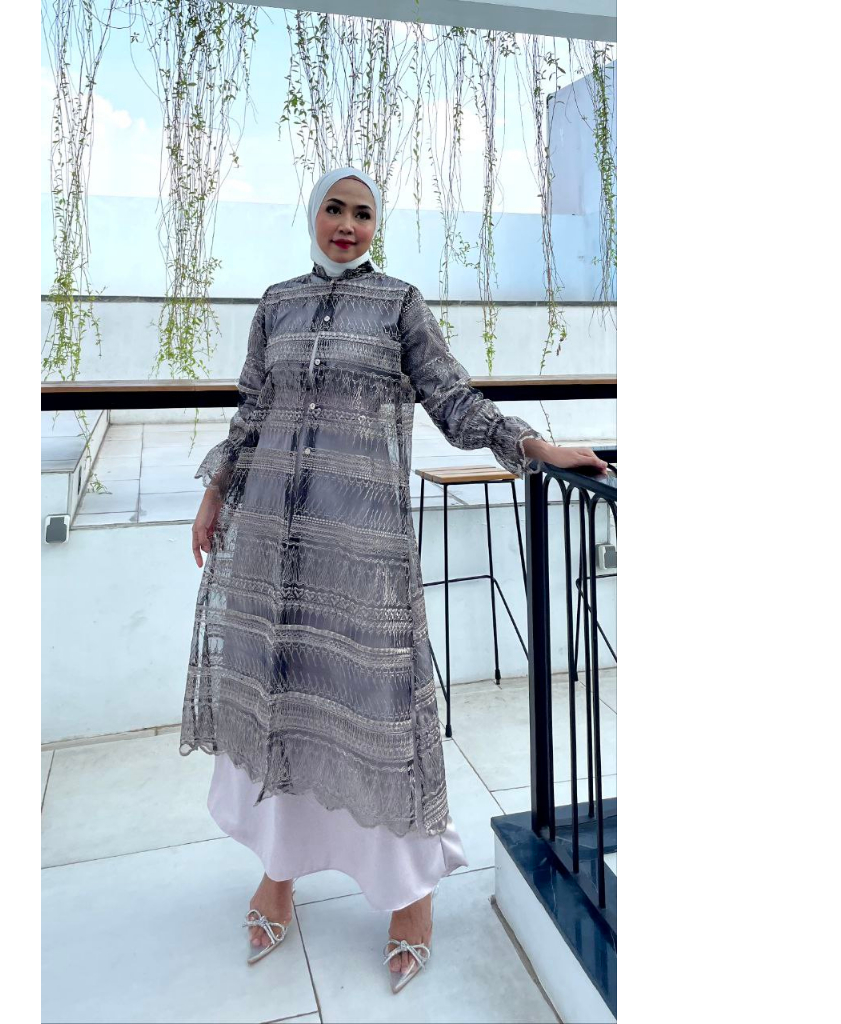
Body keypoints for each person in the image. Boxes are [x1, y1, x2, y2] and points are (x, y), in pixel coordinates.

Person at [181, 166, 608, 991]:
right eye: (334, 209)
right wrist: (214, 493)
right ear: (313, 215)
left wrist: (535, 445)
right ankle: (279, 871)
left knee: (378, 712)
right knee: (283, 705)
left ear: (377, 225)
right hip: (271, 540)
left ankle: (410, 894)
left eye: (363, 213)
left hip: (361, 546)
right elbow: (251, 412)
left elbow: (453, 402)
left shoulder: (399, 305)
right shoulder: (276, 304)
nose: (347, 224)